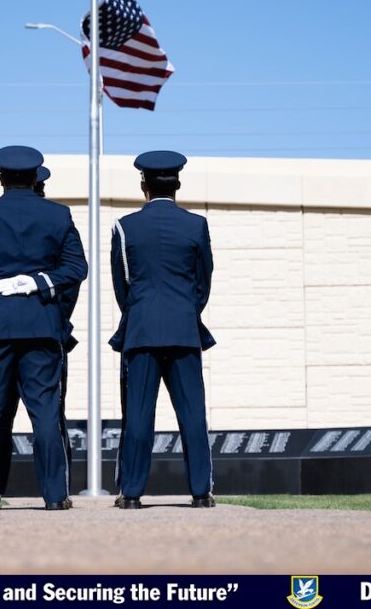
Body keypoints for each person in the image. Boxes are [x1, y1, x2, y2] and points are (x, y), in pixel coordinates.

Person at [0, 146, 88, 511]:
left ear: (1, 178)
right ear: (34, 178)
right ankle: (55, 496)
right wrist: (38, 282)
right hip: (41, 324)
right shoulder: (59, 214)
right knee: (45, 414)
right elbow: (77, 268)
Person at [109, 150, 216, 509]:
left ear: (144, 185)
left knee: (138, 415)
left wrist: (140, 312)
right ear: (178, 184)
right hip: (183, 329)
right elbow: (203, 281)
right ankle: (200, 492)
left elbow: (122, 284)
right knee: (193, 413)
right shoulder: (196, 225)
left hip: (141, 330)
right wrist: (185, 311)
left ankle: (131, 493)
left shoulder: (124, 226)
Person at [0, 165, 81, 503]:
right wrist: (56, 320)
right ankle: (56, 493)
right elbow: (70, 283)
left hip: (0, 329)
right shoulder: (56, 224)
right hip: (45, 330)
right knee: (49, 417)